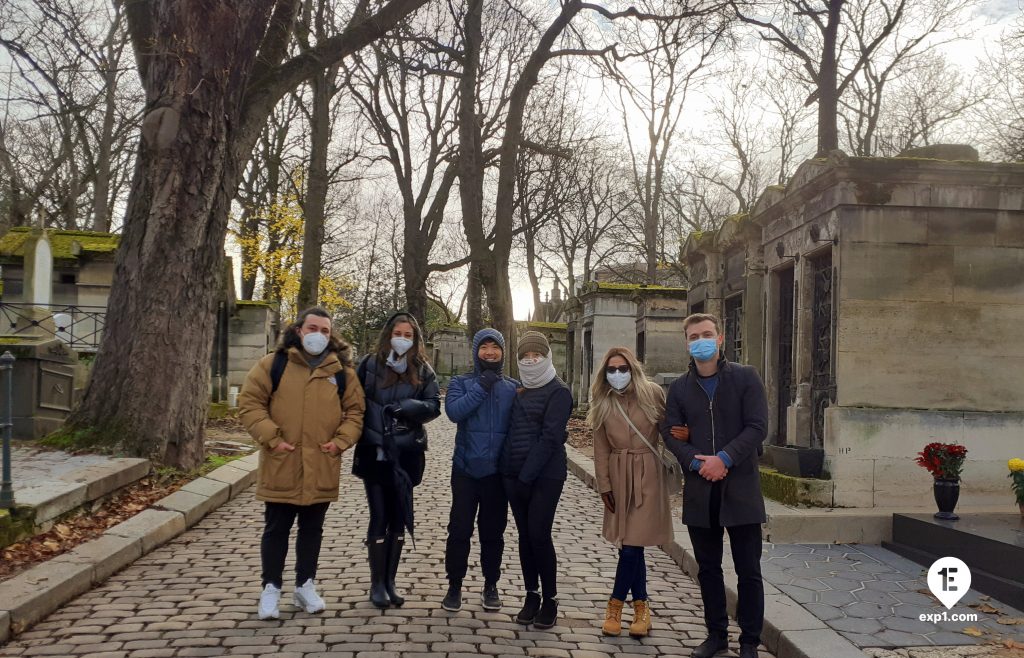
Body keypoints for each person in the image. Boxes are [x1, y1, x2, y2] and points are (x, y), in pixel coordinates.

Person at [238, 307, 366, 620]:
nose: (318, 335)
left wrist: (339, 443)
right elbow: (250, 403)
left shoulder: (342, 372)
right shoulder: (274, 364)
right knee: (276, 528)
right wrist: (271, 437)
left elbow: (355, 412)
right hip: (282, 461)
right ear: (299, 330)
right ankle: (270, 587)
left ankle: (305, 584)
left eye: (325, 330)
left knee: (312, 529)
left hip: (321, 462)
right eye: (313, 328)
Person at [660, 313, 768, 658]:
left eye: (707, 334)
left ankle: (750, 640)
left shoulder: (746, 378)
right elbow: (670, 432)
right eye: (694, 336)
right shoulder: (678, 388)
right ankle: (716, 635)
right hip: (700, 488)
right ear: (687, 343)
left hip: (741, 486)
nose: (701, 341)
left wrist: (724, 458)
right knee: (708, 568)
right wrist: (695, 461)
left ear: (720, 339)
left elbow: (756, 426)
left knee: (748, 569)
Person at [351, 311, 441, 609]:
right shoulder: (369, 364)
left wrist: (407, 407)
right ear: (388, 334)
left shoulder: (423, 369)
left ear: (415, 340)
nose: (402, 339)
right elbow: (354, 401)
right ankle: (376, 583)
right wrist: (374, 428)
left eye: (408, 335)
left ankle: (390, 580)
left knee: (399, 517)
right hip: (375, 452)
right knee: (379, 514)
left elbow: (433, 405)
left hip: (407, 453)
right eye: (398, 333)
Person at [589, 346, 672, 638]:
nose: (617, 374)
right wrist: (604, 485)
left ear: (632, 368)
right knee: (630, 544)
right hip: (619, 473)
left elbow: (669, 430)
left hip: (648, 474)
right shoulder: (603, 401)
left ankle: (614, 606)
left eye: (622, 368)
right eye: (611, 369)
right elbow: (600, 447)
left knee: (633, 545)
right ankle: (642, 609)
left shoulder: (653, 394)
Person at [441, 328, 519, 612]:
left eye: (495, 347)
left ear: (502, 351)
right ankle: (454, 585)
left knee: (493, 532)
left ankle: (491, 584)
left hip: (497, 474)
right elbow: (455, 412)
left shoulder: (512, 387)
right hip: (465, 470)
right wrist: (481, 386)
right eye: (484, 347)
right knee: (459, 530)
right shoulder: (461, 382)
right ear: (476, 351)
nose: (490, 352)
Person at [499, 331, 573, 630]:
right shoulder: (520, 389)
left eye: (537, 356)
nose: (531, 361)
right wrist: (508, 471)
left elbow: (551, 437)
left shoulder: (559, 391)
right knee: (525, 537)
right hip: (513, 475)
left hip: (545, 476)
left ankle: (550, 599)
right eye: (526, 357)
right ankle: (531, 594)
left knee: (539, 534)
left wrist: (527, 475)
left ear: (547, 357)